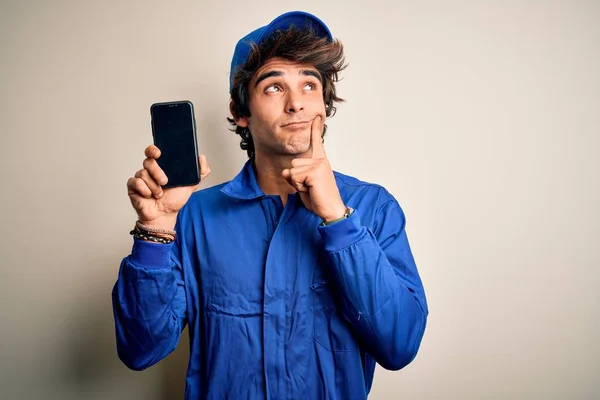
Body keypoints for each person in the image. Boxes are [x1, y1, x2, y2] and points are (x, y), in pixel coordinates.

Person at [112, 10, 428, 400]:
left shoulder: (373, 208)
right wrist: (155, 230)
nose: (296, 103)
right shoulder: (194, 216)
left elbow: (400, 346)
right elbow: (141, 350)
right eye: (274, 87)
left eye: (310, 85)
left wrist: (338, 221)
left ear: (325, 105)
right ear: (239, 112)